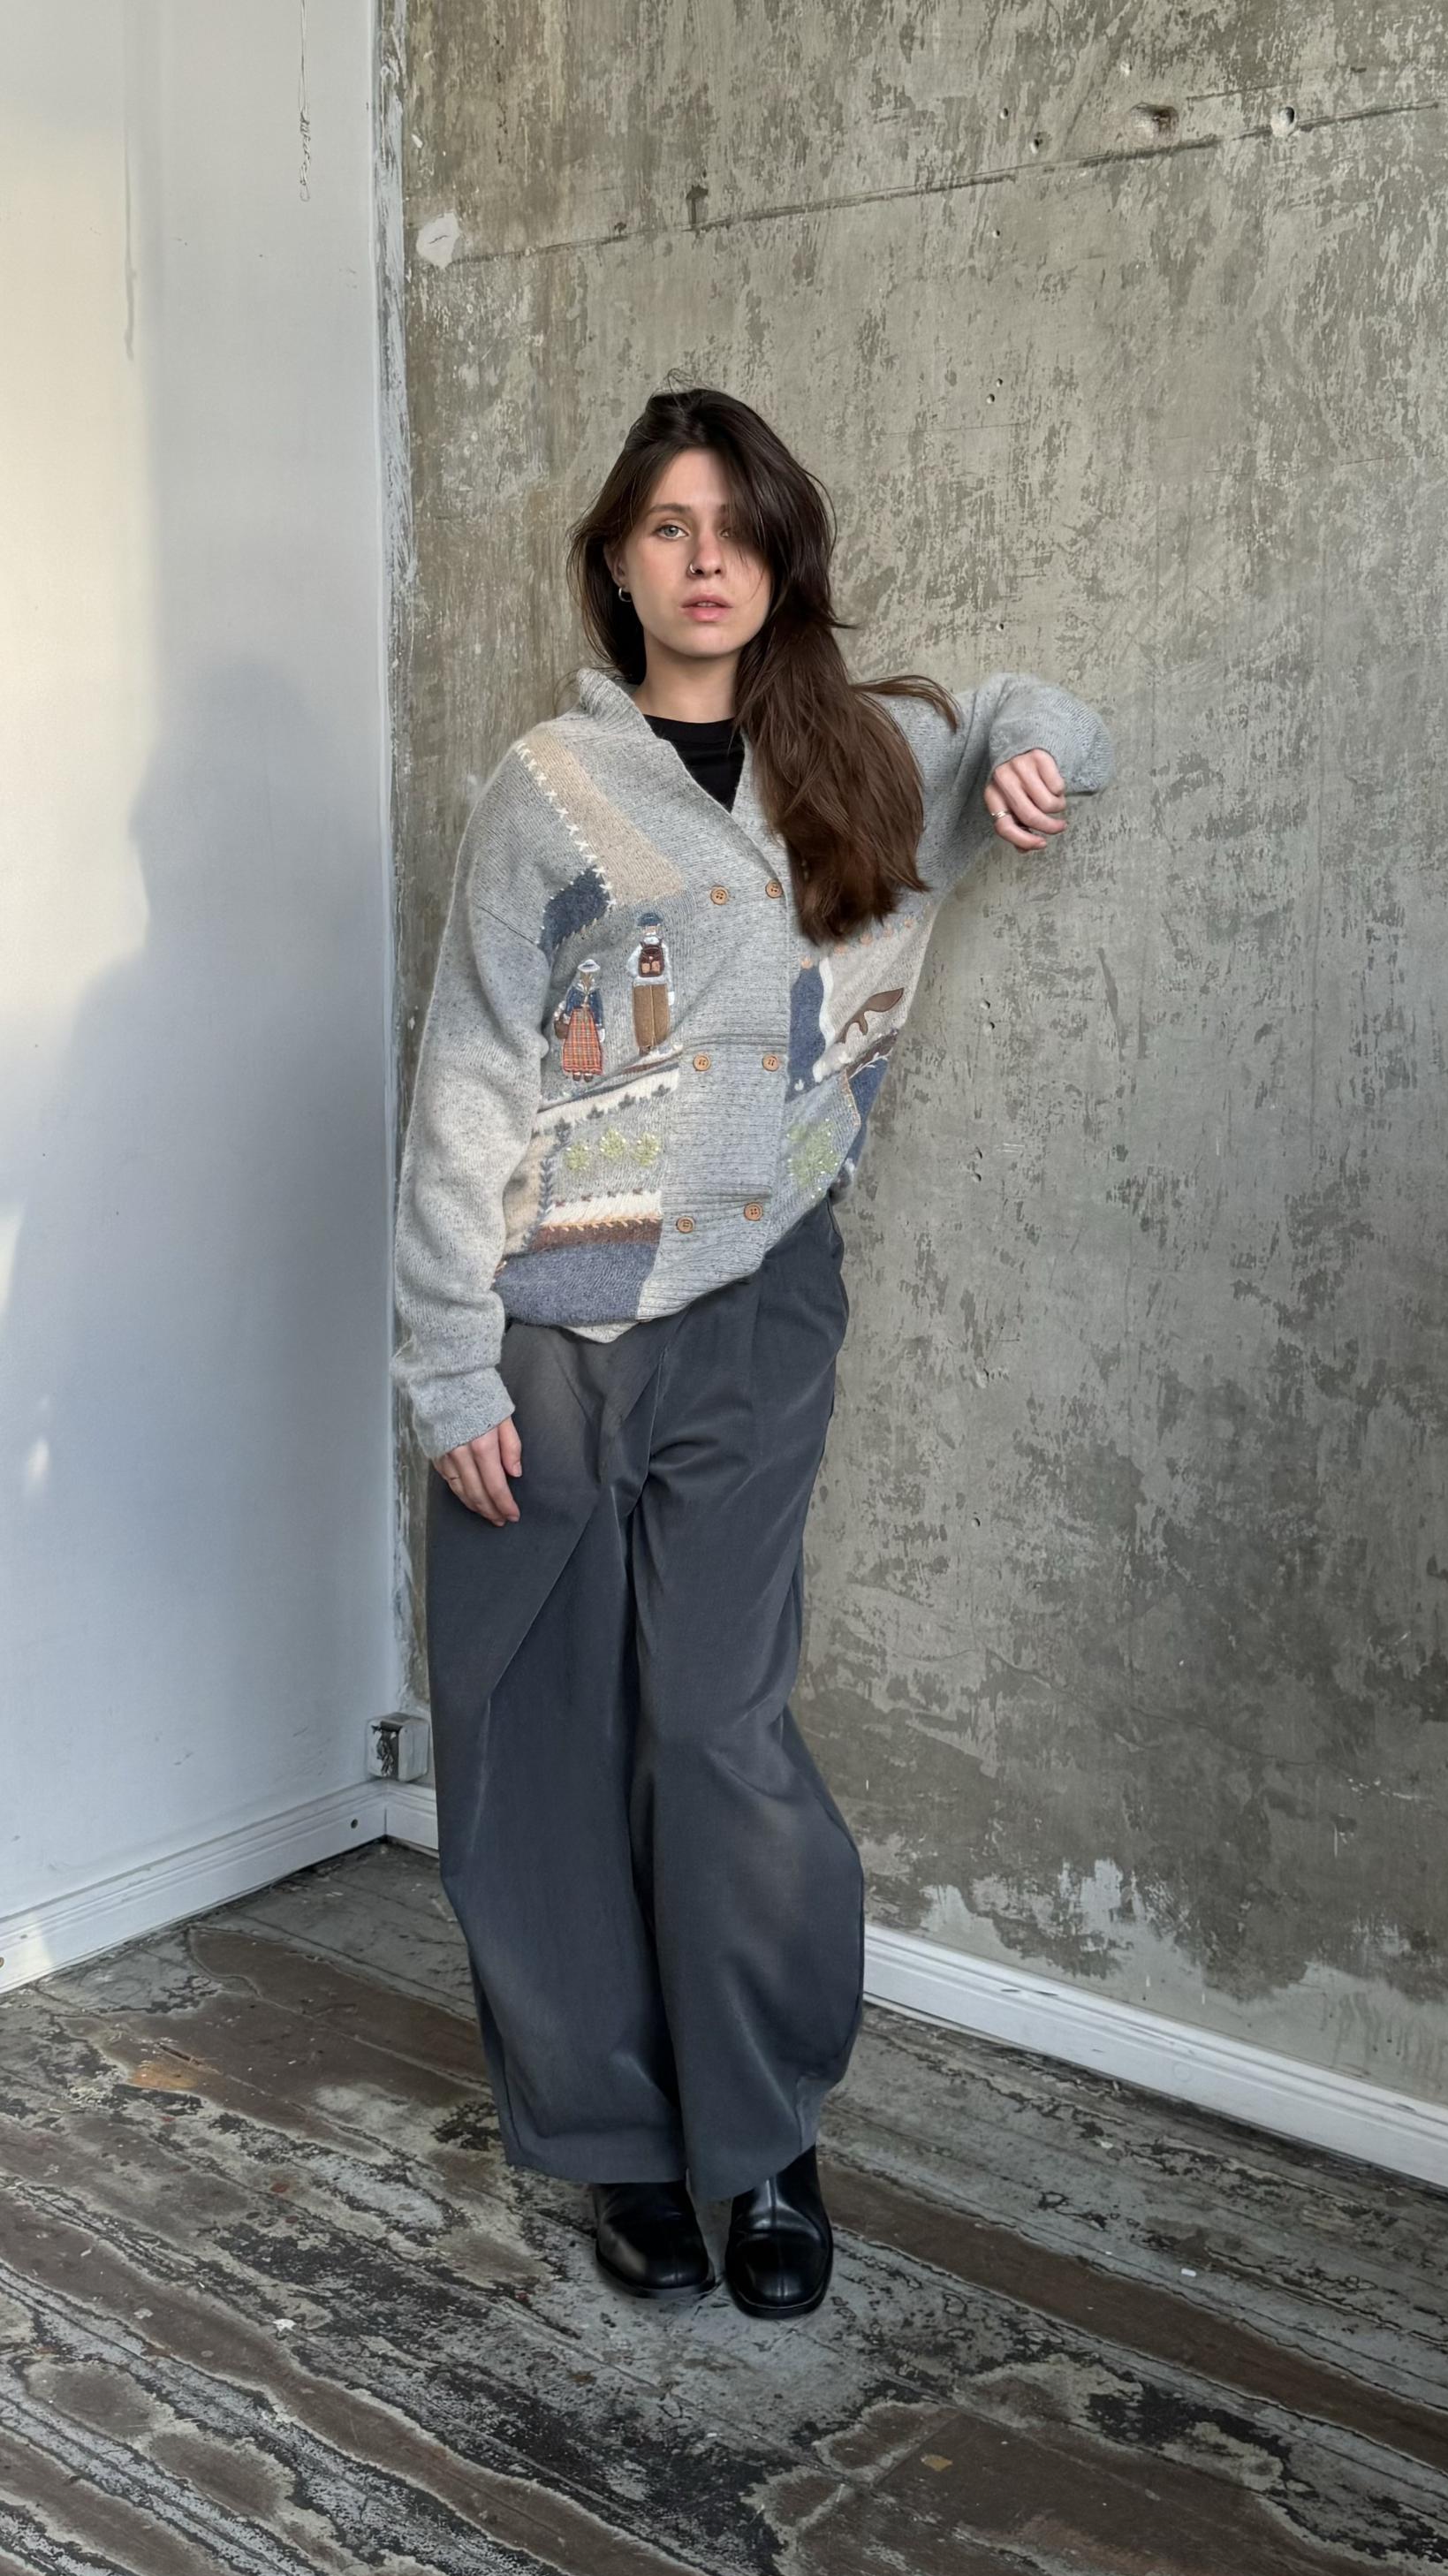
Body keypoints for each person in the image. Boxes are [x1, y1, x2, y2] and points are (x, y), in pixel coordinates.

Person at [392, 385, 1115, 2320]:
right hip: (541, 1330)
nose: (703, 558)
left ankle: (761, 2137)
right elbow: (468, 1074)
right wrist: (449, 1366)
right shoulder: (550, 788)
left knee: (716, 1730)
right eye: (664, 528)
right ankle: (617, 2148)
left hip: (760, 1306)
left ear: (781, 550)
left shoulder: (870, 756)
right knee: (534, 1741)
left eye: (736, 524)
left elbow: (1037, 709)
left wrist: (1045, 752)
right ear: (618, 563)